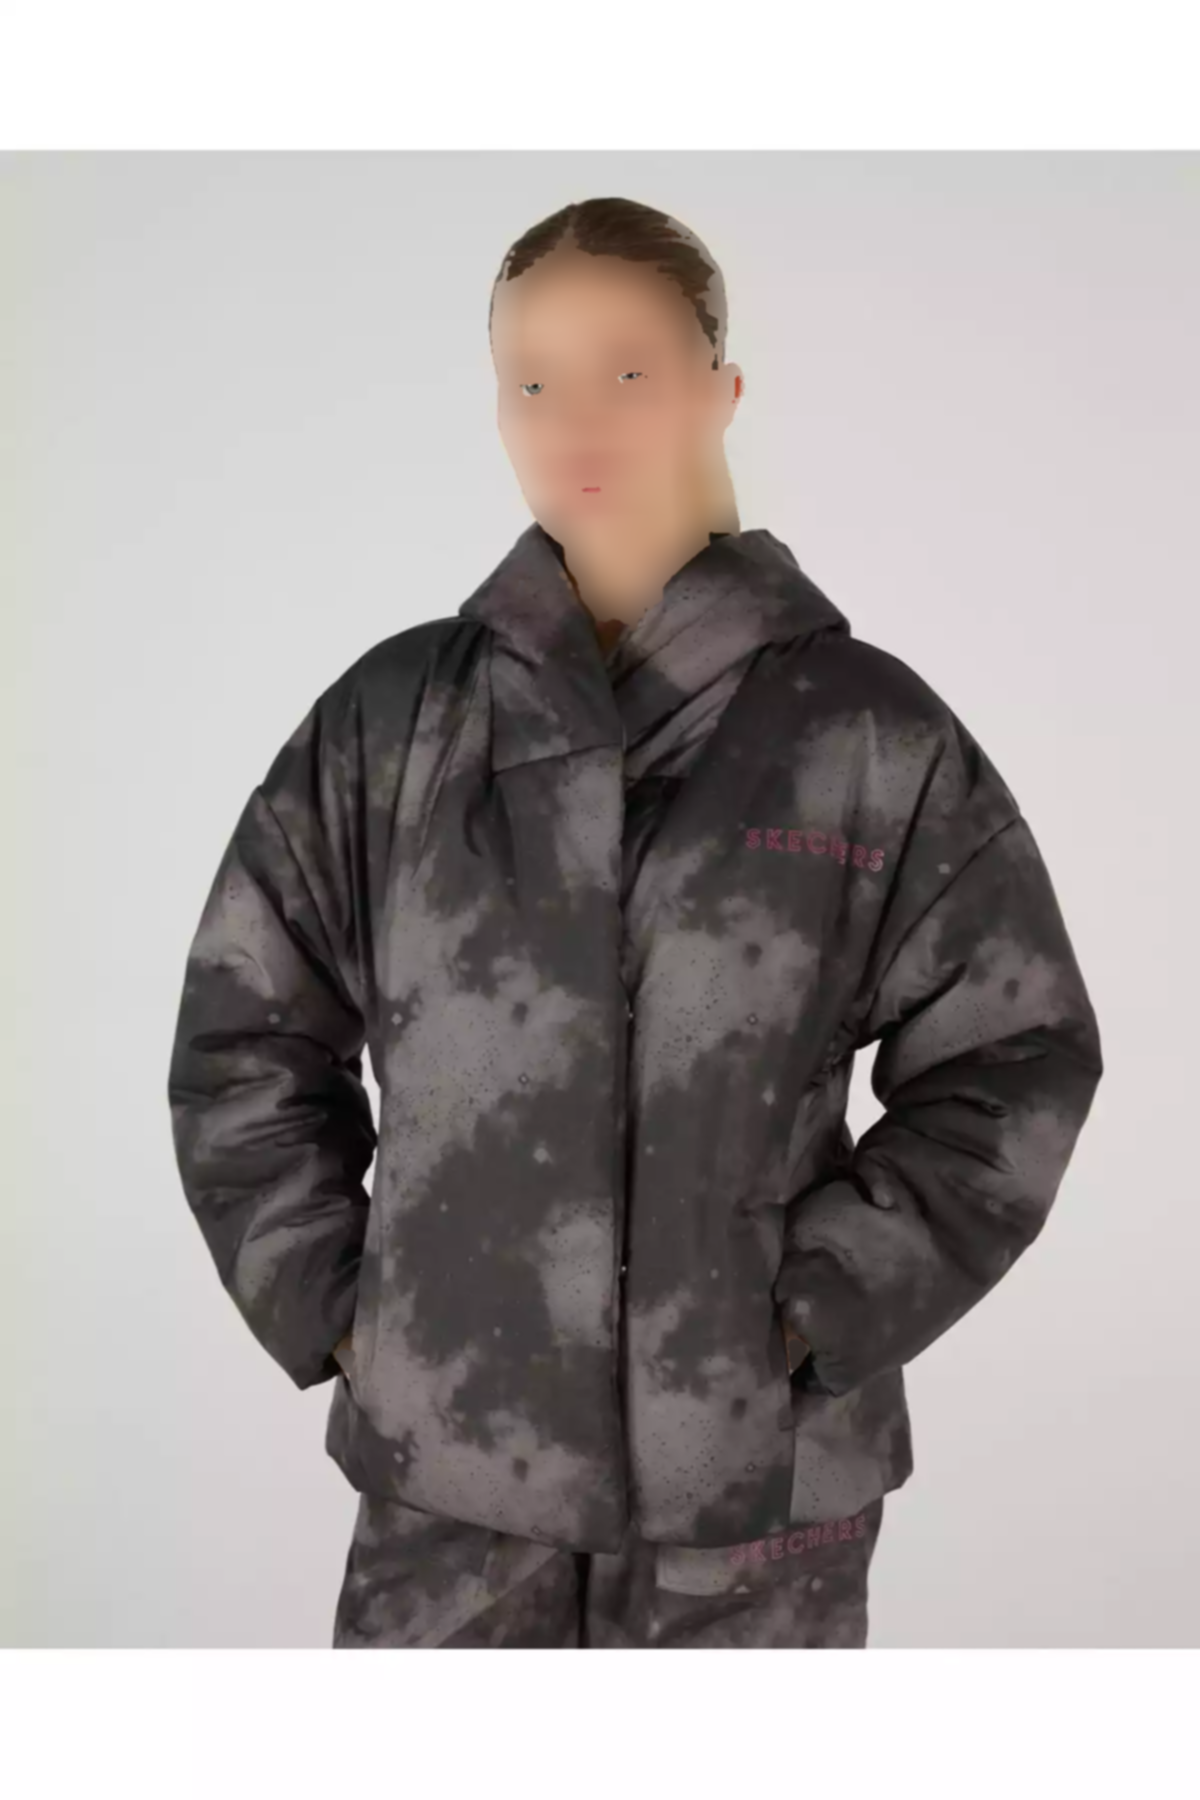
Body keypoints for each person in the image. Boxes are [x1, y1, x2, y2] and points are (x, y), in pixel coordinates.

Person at [166, 196, 1104, 1649]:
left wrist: (817, 1312)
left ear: (721, 390)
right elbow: (245, 1036)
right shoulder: (392, 726)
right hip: (450, 1496)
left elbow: (1014, 1058)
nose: (575, 421)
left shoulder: (867, 736)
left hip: (755, 1500)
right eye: (531, 381)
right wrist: (351, 1313)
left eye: (626, 370)